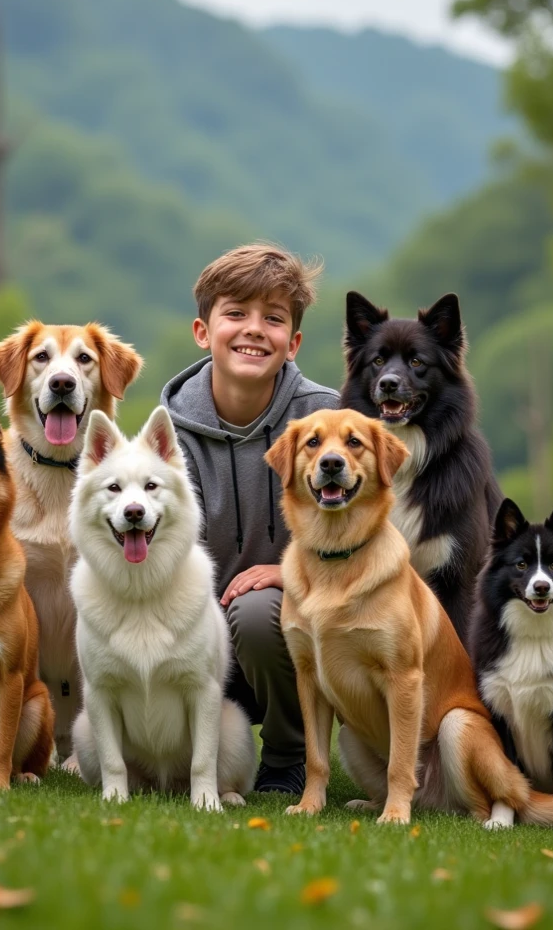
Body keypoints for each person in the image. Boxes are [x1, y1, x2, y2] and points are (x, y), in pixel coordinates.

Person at [161, 244, 339, 793]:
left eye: (274, 318)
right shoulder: (168, 433)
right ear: (202, 330)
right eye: (235, 313)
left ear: (295, 343)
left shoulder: (326, 419)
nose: (254, 330)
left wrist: (292, 573)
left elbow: (375, 531)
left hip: (294, 634)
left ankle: (287, 757)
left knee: (262, 609)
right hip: (193, 634)